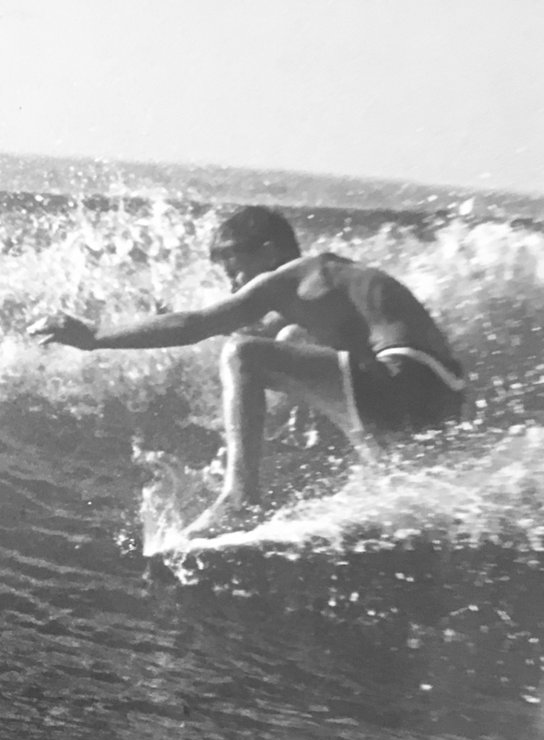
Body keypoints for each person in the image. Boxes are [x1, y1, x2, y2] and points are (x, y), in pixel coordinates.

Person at [29, 206, 465, 537]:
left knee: (245, 356)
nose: (234, 285)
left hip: (404, 378)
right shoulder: (331, 282)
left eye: (235, 270)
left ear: (269, 251)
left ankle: (240, 497)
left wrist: (95, 335)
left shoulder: (298, 274)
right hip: (438, 394)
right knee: (285, 343)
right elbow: (256, 330)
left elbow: (198, 326)